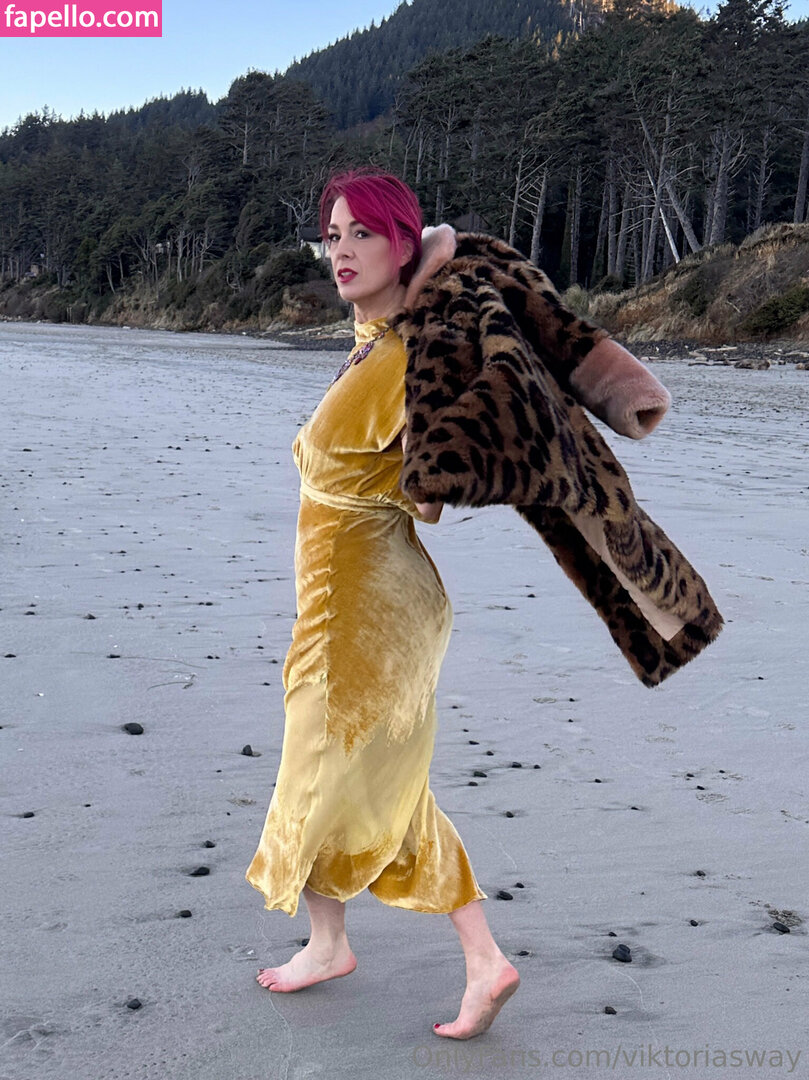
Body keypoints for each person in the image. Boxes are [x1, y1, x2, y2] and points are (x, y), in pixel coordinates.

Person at [245, 169, 519, 1039]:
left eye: (363, 233)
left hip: (363, 606)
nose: (341, 250)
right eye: (332, 235)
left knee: (323, 773)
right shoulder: (374, 342)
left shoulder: (411, 354)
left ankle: (469, 958)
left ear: (401, 245)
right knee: (364, 778)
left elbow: (440, 484)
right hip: (351, 596)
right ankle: (341, 944)